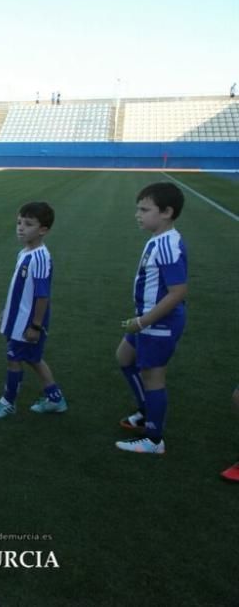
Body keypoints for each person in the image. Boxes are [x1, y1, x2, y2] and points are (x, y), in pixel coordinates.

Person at [115, 182, 187, 455]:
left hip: (159, 322)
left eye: (145, 209)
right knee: (124, 357)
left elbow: (178, 291)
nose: (138, 214)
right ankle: (147, 411)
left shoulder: (168, 244)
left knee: (152, 376)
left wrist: (143, 321)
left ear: (167, 212)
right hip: (147, 319)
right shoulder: (158, 239)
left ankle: (154, 439)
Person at [0, 202, 68, 419]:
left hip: (28, 323)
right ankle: (55, 398)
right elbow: (21, 288)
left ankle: (8, 402)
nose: (20, 228)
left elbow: (42, 295)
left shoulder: (40, 257)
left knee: (14, 359)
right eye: (19, 222)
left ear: (43, 230)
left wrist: (35, 325)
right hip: (18, 318)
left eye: (28, 224)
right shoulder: (26, 252)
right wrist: (7, 308)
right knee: (33, 359)